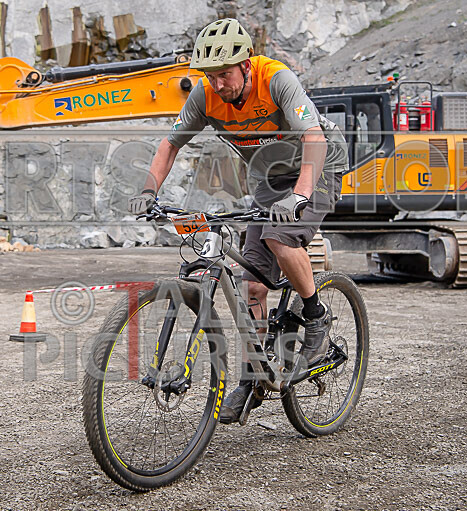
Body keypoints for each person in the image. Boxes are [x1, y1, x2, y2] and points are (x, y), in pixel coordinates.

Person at [128, 18, 349, 424]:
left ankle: (316, 318)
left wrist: (300, 196)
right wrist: (148, 191)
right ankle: (254, 377)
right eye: (210, 76)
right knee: (252, 285)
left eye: (224, 75)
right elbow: (170, 144)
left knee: (281, 238)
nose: (218, 84)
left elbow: (313, 137)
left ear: (246, 65)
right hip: (269, 176)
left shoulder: (276, 79)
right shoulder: (204, 95)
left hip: (318, 165)